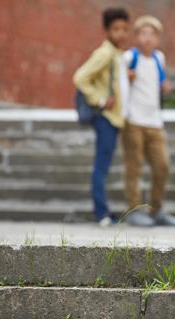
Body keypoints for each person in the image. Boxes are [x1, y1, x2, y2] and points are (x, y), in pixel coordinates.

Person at [120, 16, 175, 227]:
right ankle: (134, 210)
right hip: (133, 121)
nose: (147, 38)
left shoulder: (159, 58)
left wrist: (165, 86)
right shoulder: (129, 57)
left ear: (158, 38)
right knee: (134, 167)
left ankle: (157, 210)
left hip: (155, 121)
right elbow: (119, 85)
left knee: (162, 165)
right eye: (143, 33)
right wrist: (125, 79)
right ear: (136, 36)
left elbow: (158, 82)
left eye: (152, 34)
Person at [73, 8, 129, 227]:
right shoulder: (105, 53)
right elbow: (80, 77)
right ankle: (101, 213)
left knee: (104, 165)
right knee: (101, 166)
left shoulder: (117, 53)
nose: (121, 34)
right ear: (106, 31)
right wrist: (100, 100)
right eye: (116, 29)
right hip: (105, 118)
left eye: (125, 29)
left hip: (114, 119)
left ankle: (103, 210)